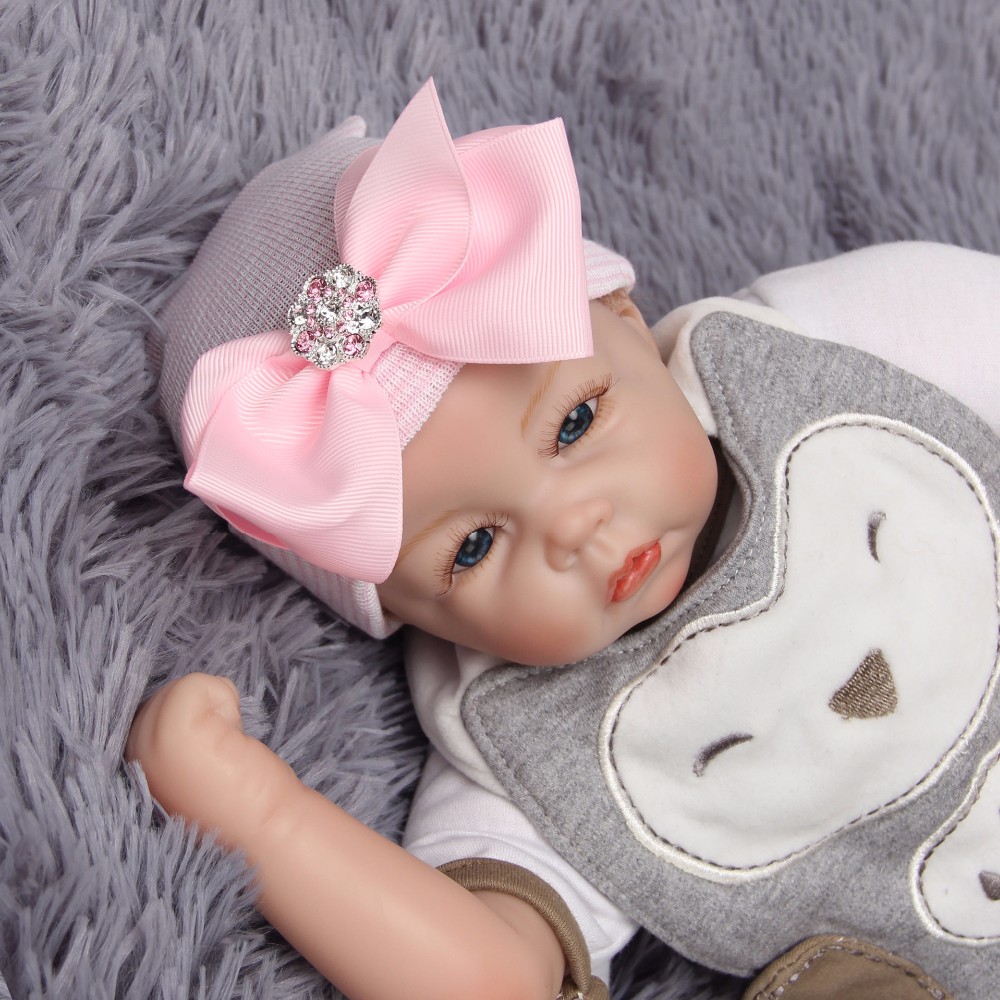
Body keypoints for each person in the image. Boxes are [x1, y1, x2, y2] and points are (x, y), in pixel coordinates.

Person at [128, 80, 1000, 1000]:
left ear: (624, 317)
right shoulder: (526, 752)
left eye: (575, 422)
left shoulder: (815, 345)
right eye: (472, 547)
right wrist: (259, 817)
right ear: (407, 615)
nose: (573, 526)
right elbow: (492, 978)